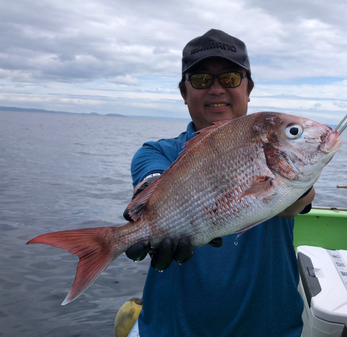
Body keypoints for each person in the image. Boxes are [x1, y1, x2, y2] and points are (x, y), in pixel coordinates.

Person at [125, 29, 315, 337]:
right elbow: (151, 180)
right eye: (201, 80)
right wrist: (157, 203)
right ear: (184, 92)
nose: (216, 89)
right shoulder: (158, 152)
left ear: (248, 89)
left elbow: (297, 201)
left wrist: (298, 187)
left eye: (229, 78)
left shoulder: (272, 151)